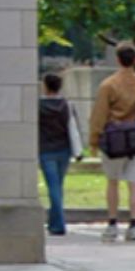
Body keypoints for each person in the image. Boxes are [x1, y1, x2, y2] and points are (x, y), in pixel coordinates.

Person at [88, 43, 135, 242]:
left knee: (113, 182)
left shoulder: (108, 85)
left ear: (118, 58)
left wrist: (94, 139)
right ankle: (133, 225)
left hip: (114, 138)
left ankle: (112, 223)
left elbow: (99, 115)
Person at [37, 71, 84, 237]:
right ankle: (54, 222)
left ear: (45, 86)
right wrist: (78, 151)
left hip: (45, 150)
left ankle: (58, 225)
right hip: (64, 150)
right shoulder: (67, 105)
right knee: (58, 186)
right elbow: (73, 128)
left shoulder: (37, 106)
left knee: (53, 186)